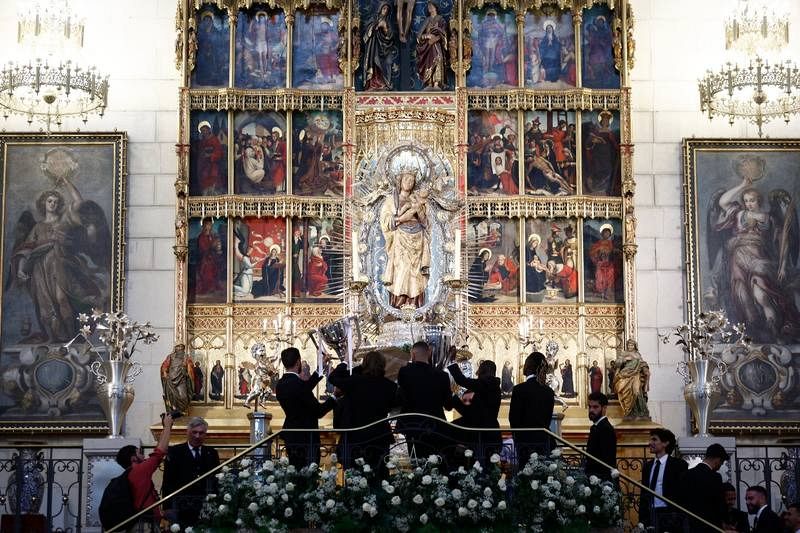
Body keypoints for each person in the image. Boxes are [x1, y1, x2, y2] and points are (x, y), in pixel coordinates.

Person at [8, 149, 110, 343]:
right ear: (43, 203)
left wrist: (66, 183)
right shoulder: (38, 227)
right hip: (41, 270)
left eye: (56, 201)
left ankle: (73, 340)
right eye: (49, 200)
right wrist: (21, 269)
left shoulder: (64, 221)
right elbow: (25, 249)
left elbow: (79, 203)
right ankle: (55, 340)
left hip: (62, 266)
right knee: (47, 307)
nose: (53, 203)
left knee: (63, 300)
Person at [707, 155, 800, 343]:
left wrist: (782, 267)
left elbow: (784, 243)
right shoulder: (738, 213)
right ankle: (751, 335)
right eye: (746, 200)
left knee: (762, 296)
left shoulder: (769, 218)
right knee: (742, 297)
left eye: (752, 200)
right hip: (738, 259)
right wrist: (742, 185)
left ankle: (776, 334)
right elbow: (722, 202)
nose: (749, 203)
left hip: (759, 259)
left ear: (759, 201)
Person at [327, 351, 399, 476]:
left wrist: (346, 361)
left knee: (355, 477)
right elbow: (394, 406)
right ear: (383, 365)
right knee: (379, 475)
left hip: (356, 437)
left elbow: (332, 378)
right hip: (379, 437)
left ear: (364, 365)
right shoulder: (390, 386)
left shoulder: (355, 381)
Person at [275, 347, 337, 468]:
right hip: (306, 439)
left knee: (295, 473)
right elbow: (319, 411)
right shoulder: (299, 385)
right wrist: (334, 397)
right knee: (308, 476)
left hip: (291, 436)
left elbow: (305, 387)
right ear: (298, 362)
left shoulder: (280, 385)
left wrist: (321, 367)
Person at [380, 169, 431, 308]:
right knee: (402, 269)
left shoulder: (417, 199)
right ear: (400, 181)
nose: (409, 182)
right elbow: (385, 221)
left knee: (416, 275)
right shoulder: (392, 200)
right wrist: (401, 219)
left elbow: (426, 222)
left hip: (417, 239)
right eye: (406, 179)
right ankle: (398, 307)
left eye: (412, 180)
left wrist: (419, 211)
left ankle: (416, 307)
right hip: (400, 239)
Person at [113, 414, 174, 530]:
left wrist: (164, 428)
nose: (143, 455)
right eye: (140, 452)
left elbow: (157, 451)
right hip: (144, 525)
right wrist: (167, 426)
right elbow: (160, 452)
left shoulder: (131, 474)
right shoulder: (138, 471)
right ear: (133, 458)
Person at [396, 341, 453, 459]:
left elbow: (401, 397)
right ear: (429, 353)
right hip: (435, 425)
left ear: (412, 354)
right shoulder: (442, 375)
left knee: (416, 460)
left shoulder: (405, 372)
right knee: (434, 461)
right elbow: (448, 405)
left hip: (412, 424)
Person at [162, 417, 220, 528]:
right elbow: (168, 480)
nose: (197, 436)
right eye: (194, 432)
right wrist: (167, 506)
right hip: (181, 505)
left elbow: (216, 479)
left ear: (205, 434)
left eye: (201, 433)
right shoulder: (175, 452)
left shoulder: (211, 453)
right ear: (187, 432)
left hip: (205, 505)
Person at [447, 358, 502, 462]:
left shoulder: (483, 384)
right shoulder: (494, 386)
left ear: (482, 371)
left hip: (476, 434)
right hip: (492, 433)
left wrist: (451, 360)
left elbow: (461, 380)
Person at [509, 352, 556, 463]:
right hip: (545, 442)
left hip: (525, 444)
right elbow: (547, 419)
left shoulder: (519, 389)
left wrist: (518, 439)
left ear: (528, 367)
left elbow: (513, 419)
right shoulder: (549, 391)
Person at [639, 428, 688, 530]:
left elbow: (682, 493)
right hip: (650, 514)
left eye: (654, 440)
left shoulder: (678, 465)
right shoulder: (647, 466)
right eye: (650, 440)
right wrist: (642, 519)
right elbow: (644, 494)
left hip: (670, 515)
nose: (650, 443)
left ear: (665, 443)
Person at [678, 443, 729, 533]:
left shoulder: (686, 474)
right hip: (710, 524)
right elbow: (719, 502)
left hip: (689, 523)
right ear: (717, 460)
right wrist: (725, 520)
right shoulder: (715, 477)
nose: (720, 465)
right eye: (721, 462)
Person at [362, 2, 398, 90]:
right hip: (374, 47)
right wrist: (376, 26)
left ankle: (384, 83)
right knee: (374, 62)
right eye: (384, 9)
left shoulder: (388, 22)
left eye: (387, 10)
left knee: (386, 64)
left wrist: (385, 27)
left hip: (385, 48)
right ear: (380, 9)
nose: (385, 11)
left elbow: (391, 36)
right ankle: (372, 83)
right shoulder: (374, 19)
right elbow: (367, 31)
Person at [614, 339, 651, 419]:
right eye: (628, 345)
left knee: (636, 392)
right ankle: (629, 412)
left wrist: (646, 370)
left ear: (635, 346)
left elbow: (642, 363)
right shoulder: (624, 353)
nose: (630, 347)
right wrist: (624, 360)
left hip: (635, 375)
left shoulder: (637, 354)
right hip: (625, 374)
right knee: (624, 390)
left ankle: (640, 412)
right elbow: (617, 363)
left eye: (632, 345)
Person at [415, 2, 448, 90]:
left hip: (437, 44)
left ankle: (437, 83)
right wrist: (427, 36)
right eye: (428, 6)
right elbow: (419, 36)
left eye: (431, 6)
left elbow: (445, 33)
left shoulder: (441, 20)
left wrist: (437, 37)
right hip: (428, 45)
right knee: (428, 61)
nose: (429, 8)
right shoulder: (427, 20)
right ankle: (429, 83)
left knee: (439, 58)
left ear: (435, 7)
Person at [585, 391, 616, 482]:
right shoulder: (596, 426)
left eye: (595, 407)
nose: (591, 410)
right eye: (590, 407)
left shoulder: (605, 428)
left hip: (601, 478)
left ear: (604, 408)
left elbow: (606, 459)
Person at [160, 344, 193, 417]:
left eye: (181, 348)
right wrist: (165, 372)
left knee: (183, 397)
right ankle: (175, 413)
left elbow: (190, 369)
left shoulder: (186, 357)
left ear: (183, 349)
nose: (179, 349)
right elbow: (164, 365)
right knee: (172, 397)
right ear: (175, 349)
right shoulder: (171, 356)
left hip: (181, 380)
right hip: (171, 380)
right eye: (178, 348)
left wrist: (188, 370)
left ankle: (182, 412)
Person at [194, 121, 225, 195]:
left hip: (212, 164)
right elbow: (200, 151)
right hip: (204, 164)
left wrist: (210, 155)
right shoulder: (202, 141)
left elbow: (219, 152)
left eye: (205, 130)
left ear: (208, 130)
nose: (204, 132)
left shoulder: (214, 139)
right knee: (204, 178)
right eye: (202, 131)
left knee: (213, 179)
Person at [589, 223, 617, 300]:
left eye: (608, 233)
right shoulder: (598, 243)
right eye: (605, 233)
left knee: (611, 272)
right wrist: (599, 253)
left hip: (608, 263)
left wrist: (612, 252)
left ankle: (608, 291)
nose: (606, 234)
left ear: (610, 234)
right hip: (600, 263)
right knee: (599, 274)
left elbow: (613, 252)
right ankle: (601, 291)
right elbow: (592, 252)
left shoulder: (611, 243)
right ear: (602, 234)